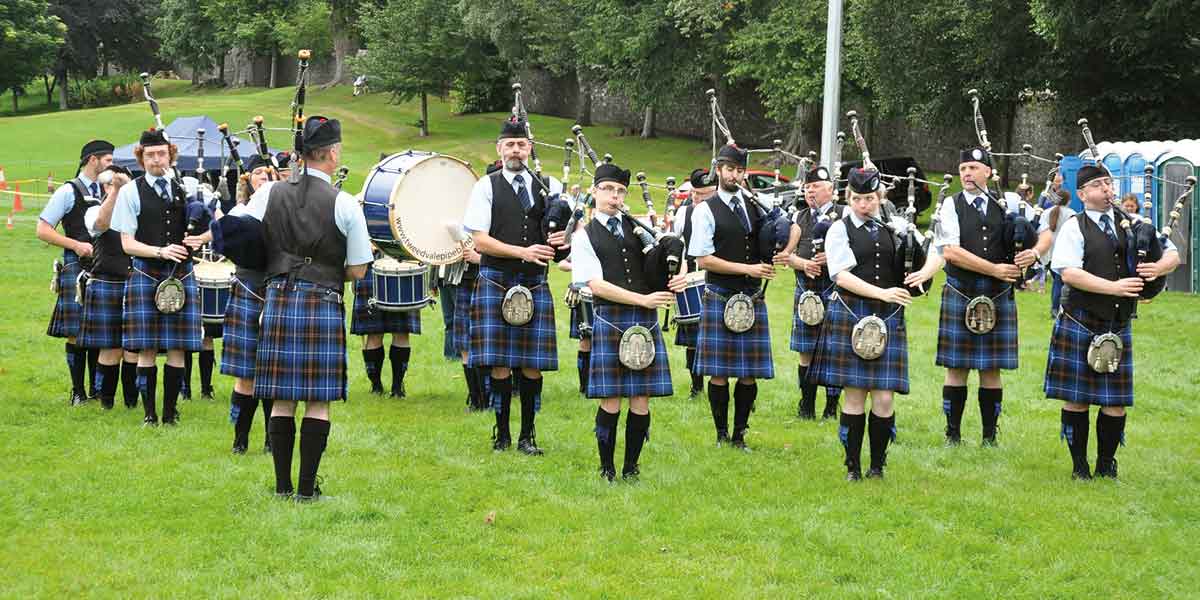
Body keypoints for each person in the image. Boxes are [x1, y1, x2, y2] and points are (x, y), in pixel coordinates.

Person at [252, 116, 373, 501]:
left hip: (277, 297)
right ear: (333, 154)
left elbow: (238, 237)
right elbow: (357, 268)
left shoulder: (268, 193)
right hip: (321, 302)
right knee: (317, 399)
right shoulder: (345, 203)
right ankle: (306, 489)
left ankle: (282, 486)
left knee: (282, 397)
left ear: (301, 155)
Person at [1045, 165, 1178, 479]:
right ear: (1082, 194)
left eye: (1109, 183)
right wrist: (1115, 288)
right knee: (1076, 399)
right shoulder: (1074, 227)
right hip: (1080, 319)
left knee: (1115, 403)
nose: (1106, 189)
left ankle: (1106, 464)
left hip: (1117, 323)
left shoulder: (1133, 225)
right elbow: (1068, 272)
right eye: (1097, 185)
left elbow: (1172, 253)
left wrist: (1158, 269)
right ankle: (1079, 466)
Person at [808, 168, 941, 480]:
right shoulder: (838, 230)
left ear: (879, 198)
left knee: (883, 397)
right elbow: (840, 275)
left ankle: (877, 467)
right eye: (857, 199)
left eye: (869, 198)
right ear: (848, 198)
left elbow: (937, 251)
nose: (863, 205)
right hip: (853, 311)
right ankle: (852, 466)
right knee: (855, 394)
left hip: (889, 315)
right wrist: (882, 292)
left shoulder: (894, 228)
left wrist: (924, 274)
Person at [462, 118, 570, 455]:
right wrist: (521, 251)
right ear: (499, 149)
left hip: (535, 281)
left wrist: (559, 240)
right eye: (509, 144)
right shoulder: (486, 186)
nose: (516, 150)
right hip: (496, 279)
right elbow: (479, 240)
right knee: (499, 363)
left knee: (531, 363)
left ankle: (527, 435)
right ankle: (502, 434)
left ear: (530, 148)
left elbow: (562, 244)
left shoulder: (549, 186)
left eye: (522, 144)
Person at [571, 163, 682, 481]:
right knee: (611, 398)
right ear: (594, 192)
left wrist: (675, 268)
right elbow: (594, 284)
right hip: (613, 318)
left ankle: (631, 467)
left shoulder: (640, 229)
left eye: (620, 190)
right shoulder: (584, 236)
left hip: (643, 320)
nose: (614, 196)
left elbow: (658, 272)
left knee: (641, 397)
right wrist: (643, 300)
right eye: (608, 189)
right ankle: (606, 468)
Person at [933, 147, 1038, 446]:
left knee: (991, 370)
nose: (966, 173)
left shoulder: (1008, 203)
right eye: (963, 168)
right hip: (961, 290)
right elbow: (951, 251)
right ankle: (952, 434)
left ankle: (990, 437)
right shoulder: (950, 205)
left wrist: (1034, 252)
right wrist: (994, 269)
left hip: (998, 294)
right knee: (957, 368)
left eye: (973, 168)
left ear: (988, 172)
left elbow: (1044, 232)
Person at [111, 128, 205, 426]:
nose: (156, 159)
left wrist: (200, 238)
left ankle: (170, 412)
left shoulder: (187, 187)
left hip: (182, 273)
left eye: (161, 153)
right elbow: (127, 243)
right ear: (141, 158)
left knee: (178, 346)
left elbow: (218, 224)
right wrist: (161, 251)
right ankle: (150, 413)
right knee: (148, 346)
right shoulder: (130, 192)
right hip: (147, 272)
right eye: (149, 155)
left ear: (170, 155)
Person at [688, 144, 776, 451]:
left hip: (752, 296)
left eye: (740, 171)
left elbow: (788, 227)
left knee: (749, 373)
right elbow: (703, 258)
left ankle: (740, 434)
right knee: (720, 372)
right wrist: (748, 267)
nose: (735, 176)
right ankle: (721, 433)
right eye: (730, 170)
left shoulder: (756, 204)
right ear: (719, 170)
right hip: (720, 294)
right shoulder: (704, 209)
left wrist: (786, 250)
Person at [37, 140, 115, 406]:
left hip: (105, 267)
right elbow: (43, 229)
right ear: (92, 160)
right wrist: (76, 245)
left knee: (98, 330)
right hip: (77, 265)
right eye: (107, 160)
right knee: (76, 331)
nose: (111, 165)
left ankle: (96, 389)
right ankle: (78, 391)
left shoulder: (109, 191)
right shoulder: (68, 191)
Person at [214, 154, 277, 454]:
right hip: (249, 288)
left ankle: (270, 440)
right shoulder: (240, 213)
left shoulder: (288, 207)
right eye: (259, 174)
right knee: (246, 375)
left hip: (278, 288)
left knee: (274, 373)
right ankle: (240, 440)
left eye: (269, 174)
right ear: (249, 180)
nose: (264, 179)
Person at [76, 164, 140, 410]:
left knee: (134, 347)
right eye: (108, 182)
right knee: (111, 347)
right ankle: (106, 402)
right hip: (107, 282)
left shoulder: (137, 208)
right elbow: (101, 224)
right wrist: (115, 191)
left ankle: (133, 402)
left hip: (135, 281)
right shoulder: (94, 209)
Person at [787, 165, 846, 420]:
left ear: (830, 190)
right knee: (806, 350)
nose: (811, 191)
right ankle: (807, 405)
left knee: (834, 349)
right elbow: (784, 255)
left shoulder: (844, 215)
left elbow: (856, 255)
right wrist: (803, 264)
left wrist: (831, 259)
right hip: (806, 289)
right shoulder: (798, 217)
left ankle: (831, 408)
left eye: (817, 187)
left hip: (834, 289)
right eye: (808, 187)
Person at [350, 250, 421, 398]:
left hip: (393, 265)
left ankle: (389, 386)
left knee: (392, 332)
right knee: (381, 332)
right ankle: (387, 387)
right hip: (396, 263)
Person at [670, 168, 715, 399]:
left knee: (721, 337)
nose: (697, 199)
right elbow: (679, 246)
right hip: (691, 277)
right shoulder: (684, 213)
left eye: (703, 195)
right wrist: (680, 273)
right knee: (693, 339)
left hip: (718, 277)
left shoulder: (722, 212)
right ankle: (696, 387)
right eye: (695, 194)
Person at [1041, 189, 1076, 318]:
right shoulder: (1071, 214)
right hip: (1065, 252)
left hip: (1049, 251)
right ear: (1069, 201)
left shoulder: (1045, 213)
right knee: (1064, 283)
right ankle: (1062, 309)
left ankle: (1055, 308)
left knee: (1057, 281)